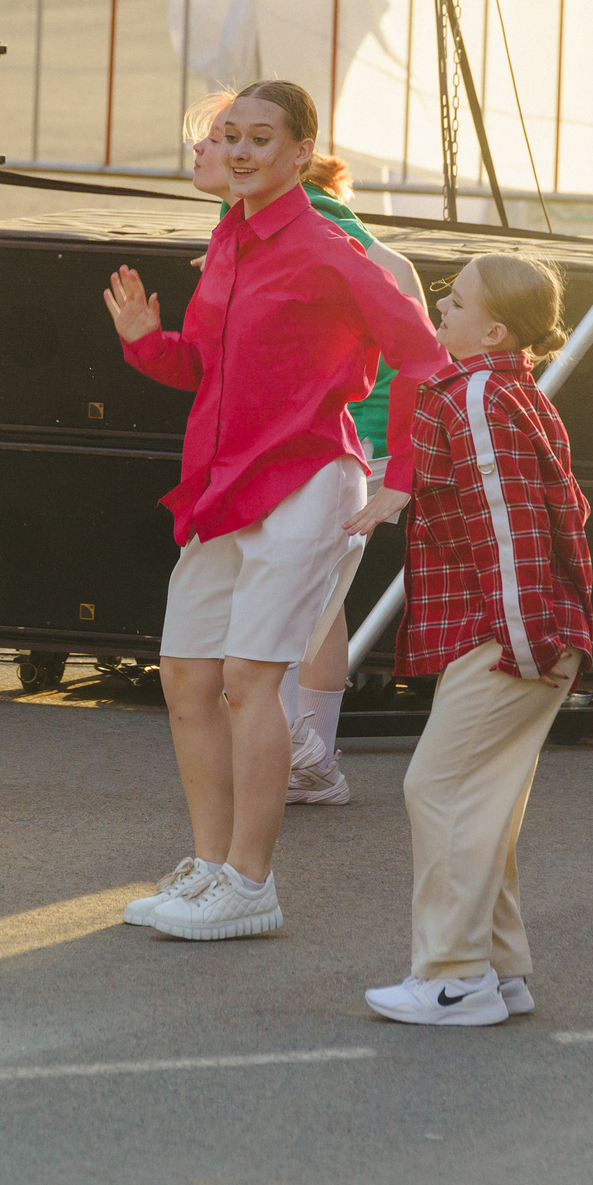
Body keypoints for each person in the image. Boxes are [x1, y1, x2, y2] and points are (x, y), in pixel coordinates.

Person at [108, 79, 446, 942]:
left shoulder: (330, 248)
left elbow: (423, 355)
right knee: (185, 675)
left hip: (305, 483)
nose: (242, 148)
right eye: (230, 134)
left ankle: (251, 884)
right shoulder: (228, 240)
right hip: (225, 490)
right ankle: (213, 869)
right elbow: (210, 374)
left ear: (302, 153)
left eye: (262, 136)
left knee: (249, 681)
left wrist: (400, 474)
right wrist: (148, 343)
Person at [179, 88, 424, 806]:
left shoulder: (298, 224)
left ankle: (304, 751)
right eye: (220, 137)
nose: (208, 151)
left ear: (290, 154)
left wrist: (390, 452)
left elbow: (403, 306)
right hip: (328, 442)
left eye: (224, 138)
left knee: (286, 605)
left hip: (330, 441)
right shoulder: (255, 226)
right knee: (308, 601)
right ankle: (309, 751)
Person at [365, 255, 592, 1026]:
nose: (442, 305)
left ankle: (456, 977)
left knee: (442, 790)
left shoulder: (480, 398)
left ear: (493, 329)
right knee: (479, 798)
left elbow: (510, 527)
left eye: (456, 300)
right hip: (517, 631)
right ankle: (496, 968)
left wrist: (521, 640)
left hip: (508, 634)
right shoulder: (503, 390)